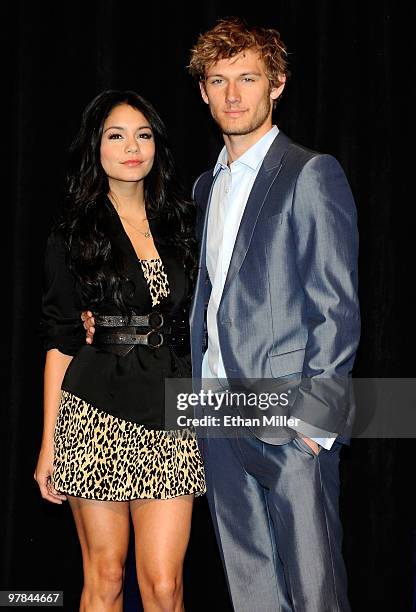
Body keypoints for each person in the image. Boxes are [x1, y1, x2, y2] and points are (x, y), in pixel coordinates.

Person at [84, 17, 360, 612]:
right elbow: (198, 301)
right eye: (218, 80)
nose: (233, 94)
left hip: (290, 421)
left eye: (248, 77)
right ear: (203, 92)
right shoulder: (206, 187)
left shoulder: (311, 174)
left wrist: (316, 427)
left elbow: (337, 307)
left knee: (315, 593)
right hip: (215, 415)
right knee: (251, 593)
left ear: (277, 84)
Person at [34, 89, 205, 612]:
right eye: (117, 135)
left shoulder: (186, 222)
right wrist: (48, 447)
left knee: (163, 586)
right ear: (96, 147)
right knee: (105, 578)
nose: (132, 147)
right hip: (94, 415)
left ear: (156, 146)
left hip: (171, 413)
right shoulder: (72, 234)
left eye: (143, 135)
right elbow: (61, 344)